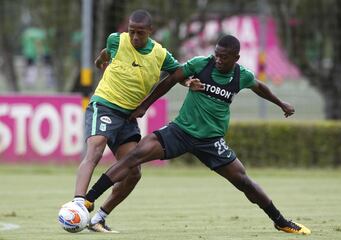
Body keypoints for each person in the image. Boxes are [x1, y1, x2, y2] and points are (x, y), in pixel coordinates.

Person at [81, 35, 311, 235]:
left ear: (236, 58)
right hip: (180, 131)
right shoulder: (201, 64)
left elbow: (260, 87)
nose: (218, 60)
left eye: (224, 57)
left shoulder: (242, 76)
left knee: (244, 182)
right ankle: (88, 201)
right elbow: (170, 80)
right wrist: (145, 106)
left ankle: (281, 223)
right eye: (217, 55)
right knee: (133, 157)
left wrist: (281, 103)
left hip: (211, 141)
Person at [72, 9, 201, 233]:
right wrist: (100, 61)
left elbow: (177, 73)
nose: (134, 37)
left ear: (150, 32)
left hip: (128, 117)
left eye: (140, 33)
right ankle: (77, 205)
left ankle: (99, 218)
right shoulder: (117, 40)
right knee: (95, 148)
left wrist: (189, 82)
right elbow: (106, 52)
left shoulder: (160, 55)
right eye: (131, 31)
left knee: (133, 172)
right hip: (104, 105)